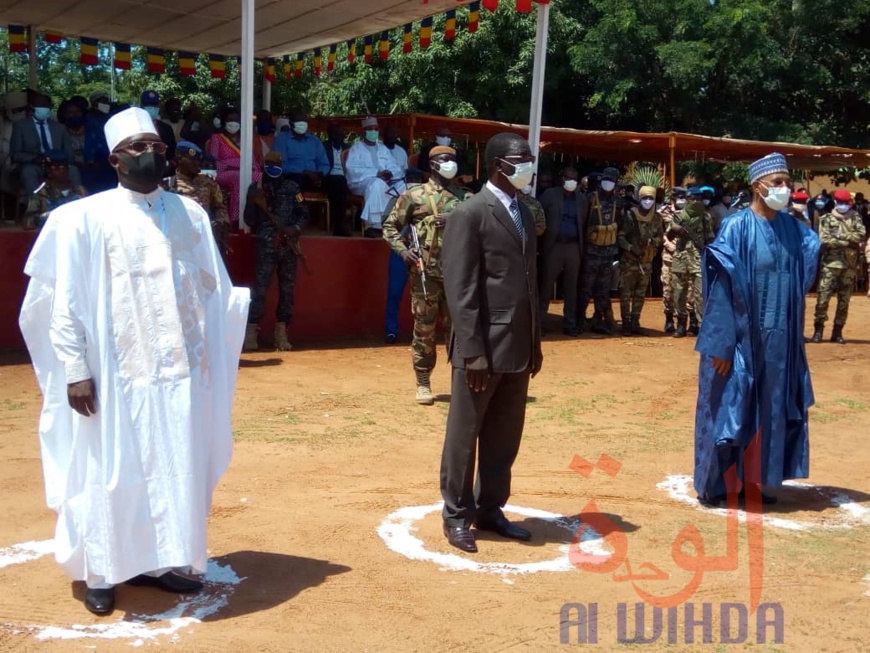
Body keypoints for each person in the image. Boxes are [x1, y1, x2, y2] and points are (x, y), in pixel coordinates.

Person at [18, 107, 249, 616]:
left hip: (178, 376)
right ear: (115, 157)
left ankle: (164, 561)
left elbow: (212, 291)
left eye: (159, 147)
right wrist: (76, 370)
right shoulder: (80, 219)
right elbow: (61, 305)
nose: (153, 155)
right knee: (111, 472)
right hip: (112, 379)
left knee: (173, 469)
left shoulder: (189, 214)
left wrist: (209, 359)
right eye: (140, 146)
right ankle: (101, 569)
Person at [694, 153, 820, 507]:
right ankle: (715, 485)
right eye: (776, 182)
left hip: (780, 341)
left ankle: (757, 482)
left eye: (787, 182)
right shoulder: (736, 228)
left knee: (772, 408)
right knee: (729, 407)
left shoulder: (795, 231)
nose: (783, 188)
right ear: (757, 186)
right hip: (739, 341)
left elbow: (806, 271)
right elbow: (720, 288)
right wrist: (720, 345)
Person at [439, 132, 543, 554]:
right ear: (499, 164)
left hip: (518, 344)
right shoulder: (470, 214)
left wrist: (535, 343)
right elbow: (460, 289)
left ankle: (490, 507)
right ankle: (457, 514)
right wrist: (473, 351)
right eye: (523, 160)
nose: (529, 167)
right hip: (481, 346)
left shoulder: (524, 211)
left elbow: (530, 285)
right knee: (466, 435)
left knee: (504, 435)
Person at [383, 145, 471, 404]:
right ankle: (423, 382)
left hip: (458, 275)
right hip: (426, 275)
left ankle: (461, 382)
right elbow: (389, 227)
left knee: (460, 331)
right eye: (445, 159)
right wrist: (403, 251)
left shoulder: (466, 198)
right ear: (433, 164)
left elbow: (480, 229)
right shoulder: (414, 196)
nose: (451, 164)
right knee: (424, 329)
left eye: (454, 159)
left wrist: (455, 221)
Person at [243, 151, 309, 352]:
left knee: (287, 291)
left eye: (276, 164)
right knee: (260, 290)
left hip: (288, 245)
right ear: (264, 166)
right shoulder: (257, 189)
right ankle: (251, 333)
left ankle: (281, 334)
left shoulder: (292, 187)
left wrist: (295, 229)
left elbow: (304, 214)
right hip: (266, 245)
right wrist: (251, 201)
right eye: (269, 164)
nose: (273, 167)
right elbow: (249, 220)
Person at [810, 189, 865, 344]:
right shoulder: (826, 219)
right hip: (830, 265)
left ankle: (837, 332)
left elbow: (861, 235)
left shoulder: (855, 217)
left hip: (849, 265)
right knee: (823, 299)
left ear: (849, 203)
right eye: (840, 203)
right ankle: (818, 330)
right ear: (835, 202)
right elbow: (825, 240)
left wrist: (840, 237)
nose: (842, 206)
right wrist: (848, 240)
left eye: (845, 203)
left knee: (844, 301)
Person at [538, 166, 589, 336]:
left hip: (574, 247)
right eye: (569, 177)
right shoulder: (550, 195)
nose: (572, 181)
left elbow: (584, 223)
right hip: (554, 247)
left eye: (575, 178)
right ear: (562, 179)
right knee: (545, 286)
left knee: (571, 288)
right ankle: (540, 323)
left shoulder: (581, 199)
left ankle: (569, 323)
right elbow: (540, 217)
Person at [166, 140, 230, 263]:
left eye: (199, 160)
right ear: (180, 158)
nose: (198, 164)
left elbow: (220, 207)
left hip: (205, 240)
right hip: (179, 242)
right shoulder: (168, 185)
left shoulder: (209, 183)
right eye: (193, 160)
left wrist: (219, 222)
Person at [578, 166, 623, 335]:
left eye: (611, 181)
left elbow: (620, 225)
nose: (608, 183)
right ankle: (579, 320)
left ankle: (598, 320)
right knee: (585, 288)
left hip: (608, 253)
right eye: (606, 180)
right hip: (591, 252)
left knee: (603, 290)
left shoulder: (617, 203)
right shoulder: (589, 199)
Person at [345, 116, 405, 237]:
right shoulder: (356, 149)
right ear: (364, 131)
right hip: (361, 183)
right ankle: (373, 225)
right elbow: (352, 170)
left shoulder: (383, 149)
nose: (374, 132)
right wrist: (376, 173)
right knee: (377, 184)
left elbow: (394, 166)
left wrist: (390, 173)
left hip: (387, 181)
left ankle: (399, 223)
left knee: (404, 186)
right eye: (370, 129)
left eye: (376, 129)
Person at [10, 93, 82, 194]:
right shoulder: (20, 126)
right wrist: (35, 159)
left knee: (73, 170)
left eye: (45, 106)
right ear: (32, 107)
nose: (43, 108)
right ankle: (35, 204)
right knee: (28, 172)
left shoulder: (60, 128)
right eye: (39, 105)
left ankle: (77, 201)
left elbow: (68, 150)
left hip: (58, 163)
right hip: (34, 165)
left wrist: (63, 162)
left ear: (50, 107)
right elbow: (15, 154)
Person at [669, 186, 715, 338]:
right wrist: (676, 230)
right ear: (687, 199)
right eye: (691, 199)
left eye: (697, 199)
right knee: (679, 293)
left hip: (697, 258)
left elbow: (710, 238)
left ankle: (701, 325)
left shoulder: (705, 217)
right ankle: (681, 324)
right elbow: (669, 236)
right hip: (681, 257)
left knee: (700, 294)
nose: (694, 201)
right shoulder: (678, 216)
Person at [618, 185, 664, 335]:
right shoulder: (630, 215)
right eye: (645, 198)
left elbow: (660, 237)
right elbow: (621, 237)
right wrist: (630, 247)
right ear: (639, 198)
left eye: (651, 198)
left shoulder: (657, 218)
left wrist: (653, 242)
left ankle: (635, 321)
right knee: (625, 293)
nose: (648, 201)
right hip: (630, 261)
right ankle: (625, 322)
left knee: (640, 293)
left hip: (646, 261)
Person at [207, 107, 262, 226]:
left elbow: (252, 161)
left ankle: (256, 219)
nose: (234, 123)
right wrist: (235, 164)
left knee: (260, 177)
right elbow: (213, 161)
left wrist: (254, 169)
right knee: (240, 178)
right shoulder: (217, 138)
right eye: (230, 120)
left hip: (245, 171)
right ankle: (236, 219)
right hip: (223, 173)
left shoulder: (245, 139)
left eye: (236, 120)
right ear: (224, 122)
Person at [23, 149, 86, 229]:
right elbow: (27, 222)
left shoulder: (80, 191)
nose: (61, 171)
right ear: (48, 171)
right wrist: (46, 217)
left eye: (64, 167)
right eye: (56, 168)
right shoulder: (42, 193)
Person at [271, 109, 328, 189]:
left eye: (304, 122)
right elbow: (280, 165)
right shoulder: (282, 139)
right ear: (291, 123)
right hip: (293, 176)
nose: (303, 125)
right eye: (299, 122)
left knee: (337, 181)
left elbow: (324, 163)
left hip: (316, 177)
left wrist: (318, 174)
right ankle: (300, 201)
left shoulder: (315, 141)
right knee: (297, 180)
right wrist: (304, 172)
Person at [659, 186, 687, 333]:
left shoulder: (690, 212)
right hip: (669, 256)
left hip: (685, 256)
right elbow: (659, 231)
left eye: (684, 196)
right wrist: (668, 244)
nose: (681, 199)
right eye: (678, 196)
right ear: (672, 197)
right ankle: (669, 319)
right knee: (668, 289)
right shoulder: (663, 212)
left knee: (684, 291)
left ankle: (685, 321)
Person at [322, 121, 351, 237]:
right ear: (329, 135)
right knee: (338, 184)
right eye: (335, 135)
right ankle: (339, 225)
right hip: (328, 178)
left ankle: (340, 224)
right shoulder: (323, 147)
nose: (338, 137)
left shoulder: (349, 148)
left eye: (340, 135)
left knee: (342, 184)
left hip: (346, 178)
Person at [140, 90, 176, 160]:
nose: (152, 108)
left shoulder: (166, 128)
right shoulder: (134, 127)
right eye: (149, 105)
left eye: (154, 105)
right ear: (142, 106)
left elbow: (172, 151)